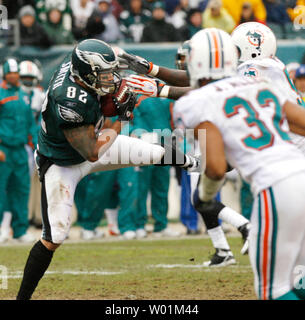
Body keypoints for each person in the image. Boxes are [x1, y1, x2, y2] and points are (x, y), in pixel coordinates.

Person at [16, 39, 199, 300]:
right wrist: (121, 119)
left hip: (97, 138)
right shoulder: (67, 99)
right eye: (103, 74)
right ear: (86, 73)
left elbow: (170, 90)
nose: (111, 78)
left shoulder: (89, 67)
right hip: (63, 161)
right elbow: (91, 151)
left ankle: (199, 164)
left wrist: (153, 75)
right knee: (55, 235)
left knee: (157, 153)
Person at [174, 27, 305, 300]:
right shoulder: (259, 84)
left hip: (277, 186)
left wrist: (205, 196)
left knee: (273, 290)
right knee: (299, 279)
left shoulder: (194, 102)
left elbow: (215, 167)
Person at [120, 47, 251, 266]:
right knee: (199, 197)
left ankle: (246, 227)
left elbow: (200, 90)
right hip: (205, 141)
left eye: (188, 58)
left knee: (200, 197)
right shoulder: (234, 73)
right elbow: (193, 84)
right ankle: (222, 249)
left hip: (227, 141)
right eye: (181, 58)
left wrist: (160, 89)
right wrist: (152, 70)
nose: (184, 62)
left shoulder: (238, 75)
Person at [0, 58, 38, 243]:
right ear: (5, 74)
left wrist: (36, 145)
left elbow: (30, 123)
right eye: (11, 73)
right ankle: (1, 229)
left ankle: (20, 229)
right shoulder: (0, 93)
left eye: (17, 73)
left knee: (22, 190)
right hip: (3, 149)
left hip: (21, 150)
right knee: (1, 190)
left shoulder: (25, 94)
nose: (14, 76)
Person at [19, 60, 46, 228]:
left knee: (40, 182)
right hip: (19, 143)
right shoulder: (11, 94)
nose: (28, 81)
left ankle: (37, 216)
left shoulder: (40, 95)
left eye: (30, 77)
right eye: (24, 78)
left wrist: (37, 141)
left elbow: (42, 121)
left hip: (36, 143)